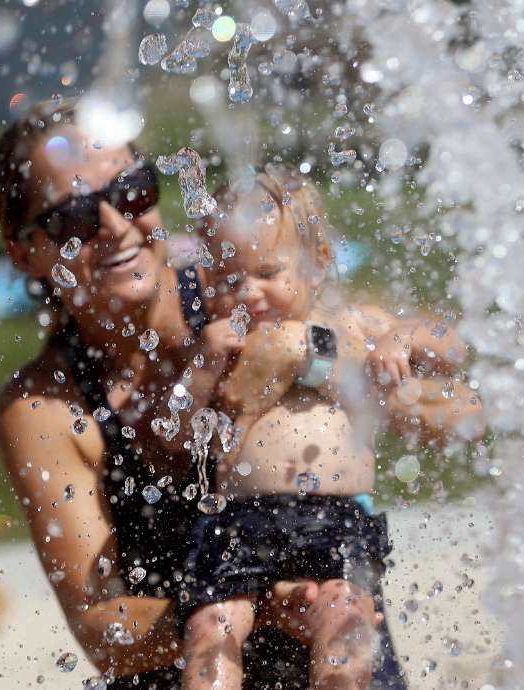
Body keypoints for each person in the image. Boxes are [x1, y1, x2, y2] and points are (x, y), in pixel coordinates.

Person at [0, 100, 414, 688]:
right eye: (73, 218)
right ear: (24, 252)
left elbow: (430, 362)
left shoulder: (246, 289)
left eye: (133, 190)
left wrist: (305, 349)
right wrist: (249, 603)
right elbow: (100, 630)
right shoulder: (45, 408)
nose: (115, 225)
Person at [171, 170, 480, 690]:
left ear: (317, 262)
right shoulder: (222, 340)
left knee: (347, 623)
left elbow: (451, 344)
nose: (248, 293)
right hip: (240, 520)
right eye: (228, 281)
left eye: (267, 272)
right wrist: (202, 369)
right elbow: (181, 431)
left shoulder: (353, 324)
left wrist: (401, 342)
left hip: (335, 516)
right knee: (209, 627)